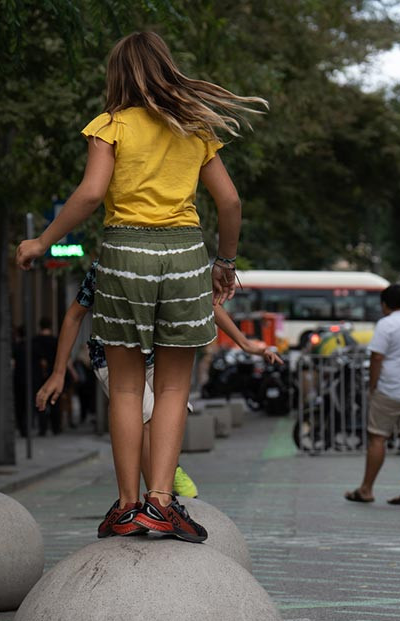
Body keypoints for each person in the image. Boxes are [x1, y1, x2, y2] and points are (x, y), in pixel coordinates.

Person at [17, 31, 265, 543]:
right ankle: (162, 503)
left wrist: (41, 242)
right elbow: (231, 203)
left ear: (118, 75)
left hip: (126, 255)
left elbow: (90, 195)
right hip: (184, 256)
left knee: (127, 388)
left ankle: (127, 506)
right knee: (174, 388)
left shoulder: (110, 126)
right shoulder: (193, 127)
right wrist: (224, 262)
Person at [37, 261, 283, 498]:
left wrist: (245, 344)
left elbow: (206, 303)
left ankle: (162, 485)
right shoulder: (106, 264)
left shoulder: (171, 259)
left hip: (156, 355)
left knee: (171, 411)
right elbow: (73, 316)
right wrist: (58, 372)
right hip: (113, 355)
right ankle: (158, 494)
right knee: (146, 418)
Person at [345, 284, 400, 506]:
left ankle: (366, 489)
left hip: (390, 390)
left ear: (384, 304)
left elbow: (376, 358)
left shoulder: (386, 324)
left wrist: (372, 387)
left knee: (377, 438)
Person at [30, 318, 61, 436]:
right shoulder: (55, 341)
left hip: (38, 375)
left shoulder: (35, 341)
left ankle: (42, 428)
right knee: (54, 401)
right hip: (53, 374)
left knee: (41, 400)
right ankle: (55, 427)